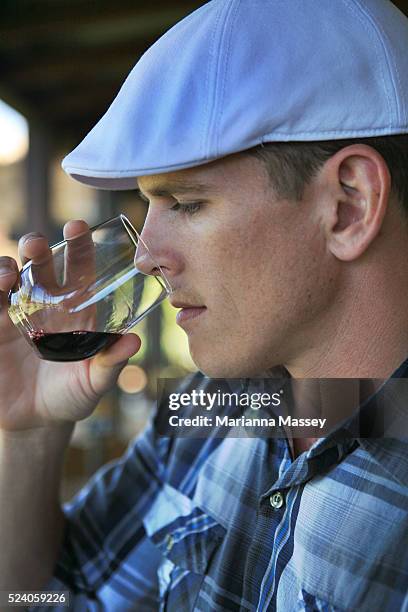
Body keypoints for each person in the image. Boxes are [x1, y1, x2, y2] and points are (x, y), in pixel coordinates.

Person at [0, 0, 407, 610]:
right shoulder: (208, 416)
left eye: (185, 204)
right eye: (147, 207)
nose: (145, 255)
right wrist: (30, 432)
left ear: (348, 205)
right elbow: (41, 601)